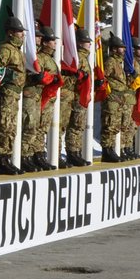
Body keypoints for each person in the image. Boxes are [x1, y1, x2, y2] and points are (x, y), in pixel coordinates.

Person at [0, 15, 27, 175]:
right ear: (11, 33)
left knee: (11, 128)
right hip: (6, 94)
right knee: (5, 126)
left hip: (14, 95)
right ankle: (1, 160)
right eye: (20, 32)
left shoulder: (17, 51)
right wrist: (9, 76)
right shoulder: (6, 49)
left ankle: (6, 157)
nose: (22, 35)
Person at [22, 25, 60, 171]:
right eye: (52, 41)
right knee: (30, 126)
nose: (55, 44)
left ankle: (37, 154)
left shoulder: (50, 58)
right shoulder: (40, 57)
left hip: (42, 97)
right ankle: (26, 155)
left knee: (41, 128)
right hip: (33, 95)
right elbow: (34, 74)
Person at [61, 31, 92, 167]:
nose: (89, 44)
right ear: (79, 43)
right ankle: (69, 153)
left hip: (80, 97)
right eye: (86, 41)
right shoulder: (78, 57)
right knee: (67, 125)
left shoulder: (85, 58)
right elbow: (69, 75)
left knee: (78, 126)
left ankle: (75, 152)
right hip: (73, 96)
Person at [101, 36, 133, 163]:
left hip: (120, 98)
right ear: (114, 49)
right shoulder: (110, 62)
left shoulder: (119, 63)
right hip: (112, 98)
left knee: (115, 125)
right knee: (109, 124)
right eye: (121, 48)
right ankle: (106, 150)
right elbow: (104, 78)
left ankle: (111, 148)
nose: (124, 50)